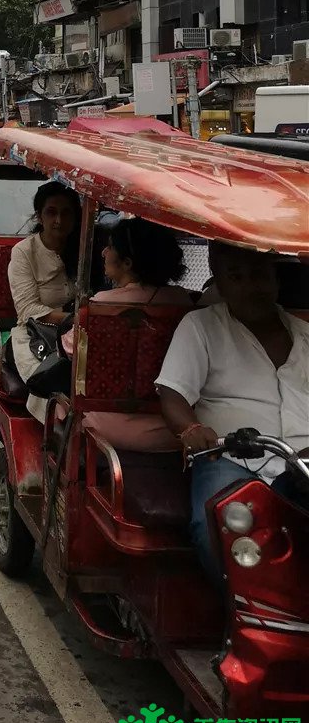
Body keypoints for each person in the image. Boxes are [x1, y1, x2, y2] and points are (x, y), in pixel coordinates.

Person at [156, 241, 309, 584]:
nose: (249, 287)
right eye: (236, 276)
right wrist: (190, 428)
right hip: (231, 458)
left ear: (275, 279)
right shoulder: (201, 327)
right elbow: (173, 393)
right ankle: (244, 613)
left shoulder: (305, 335)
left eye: (259, 276)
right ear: (219, 282)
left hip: (303, 463)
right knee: (217, 529)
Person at [6, 181, 81, 421]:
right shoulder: (23, 252)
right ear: (40, 216)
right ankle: (54, 440)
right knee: (50, 382)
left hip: (79, 334)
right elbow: (28, 309)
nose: (59, 220)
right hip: (34, 334)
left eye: (66, 213)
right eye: (52, 212)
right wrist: (74, 319)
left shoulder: (84, 248)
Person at [94, 217, 190, 305]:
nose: (104, 252)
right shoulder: (181, 297)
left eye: (110, 247)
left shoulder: (102, 301)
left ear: (127, 263)